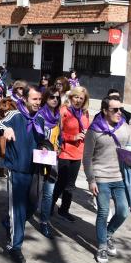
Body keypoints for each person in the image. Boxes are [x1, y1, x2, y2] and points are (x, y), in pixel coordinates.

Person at [0, 85, 44, 263]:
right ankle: (14, 246)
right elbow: (0, 124)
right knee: (18, 208)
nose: (38, 103)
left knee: (32, 205)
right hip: (16, 170)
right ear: (24, 99)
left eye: (39, 99)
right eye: (34, 99)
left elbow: (43, 140)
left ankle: (10, 221)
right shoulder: (15, 115)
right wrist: (5, 130)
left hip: (35, 170)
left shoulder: (39, 119)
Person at [83, 96, 131, 263]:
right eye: (115, 110)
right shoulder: (94, 131)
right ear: (105, 111)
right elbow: (87, 158)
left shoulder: (125, 128)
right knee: (103, 212)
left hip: (120, 178)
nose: (119, 113)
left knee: (123, 212)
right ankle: (102, 246)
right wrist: (91, 180)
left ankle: (108, 234)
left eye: (121, 109)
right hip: (101, 177)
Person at [51, 86, 90, 222]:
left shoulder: (85, 113)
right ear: (71, 97)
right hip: (65, 150)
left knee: (71, 184)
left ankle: (64, 210)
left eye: (81, 98)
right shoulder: (64, 111)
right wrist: (73, 137)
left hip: (78, 152)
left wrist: (87, 134)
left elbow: (87, 128)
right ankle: (49, 207)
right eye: (76, 97)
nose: (78, 100)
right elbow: (57, 132)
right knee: (61, 182)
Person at [35, 86, 62, 239]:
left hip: (52, 160)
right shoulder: (39, 115)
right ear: (46, 98)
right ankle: (16, 217)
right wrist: (41, 146)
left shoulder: (57, 116)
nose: (55, 100)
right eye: (52, 97)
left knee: (48, 193)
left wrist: (58, 146)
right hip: (39, 159)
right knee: (33, 192)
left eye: (57, 97)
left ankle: (44, 222)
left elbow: (59, 136)